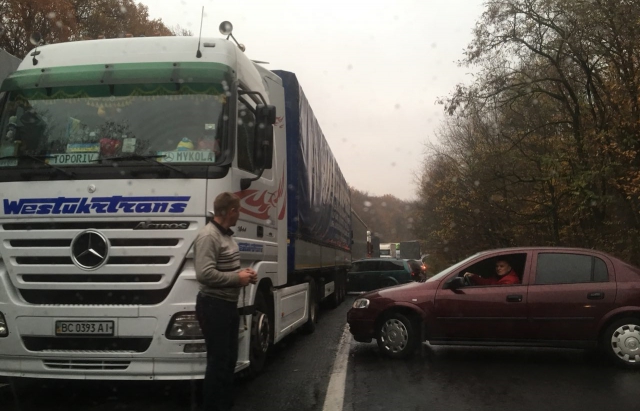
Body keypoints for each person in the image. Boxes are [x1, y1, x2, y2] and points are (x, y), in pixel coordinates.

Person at [194, 192, 257, 411]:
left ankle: (224, 405)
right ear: (231, 211)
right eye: (238, 210)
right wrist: (237, 278)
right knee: (218, 362)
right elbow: (204, 274)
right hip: (213, 306)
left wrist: (244, 273)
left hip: (227, 306)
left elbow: (224, 268)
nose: (239, 215)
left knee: (229, 360)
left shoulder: (226, 236)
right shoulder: (208, 236)